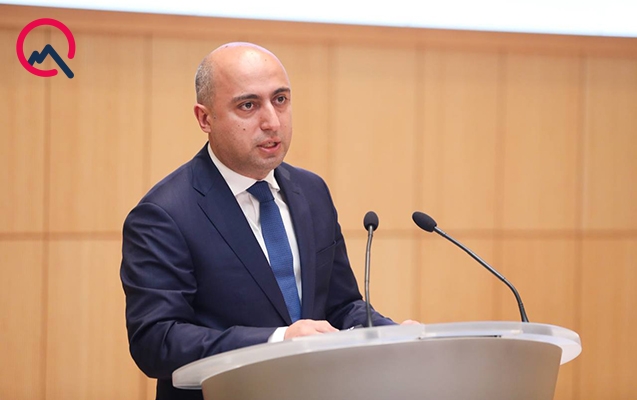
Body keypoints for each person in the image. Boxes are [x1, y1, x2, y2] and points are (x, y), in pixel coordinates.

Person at [120, 42, 405, 400]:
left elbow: (340, 305)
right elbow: (156, 341)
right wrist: (279, 341)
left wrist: (390, 335)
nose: (272, 121)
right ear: (205, 119)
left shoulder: (311, 191)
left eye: (280, 100)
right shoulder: (164, 215)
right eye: (248, 105)